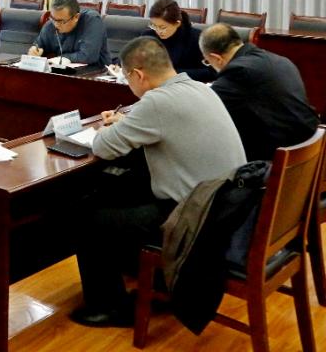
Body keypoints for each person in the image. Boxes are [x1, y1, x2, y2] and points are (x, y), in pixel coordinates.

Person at [71, 37, 246, 327]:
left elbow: (102, 147)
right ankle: (150, 277)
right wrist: (127, 124)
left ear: (137, 75)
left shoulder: (157, 102)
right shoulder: (198, 87)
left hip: (193, 217)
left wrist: (105, 128)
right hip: (225, 204)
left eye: (126, 77)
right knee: (118, 187)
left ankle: (109, 307)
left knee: (88, 216)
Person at [200, 23, 319, 161]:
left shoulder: (238, 71)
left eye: (207, 62)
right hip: (309, 147)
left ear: (216, 58)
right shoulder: (279, 60)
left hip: (278, 158)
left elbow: (207, 108)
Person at [140, 0, 214, 82]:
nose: (158, 31)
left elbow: (211, 72)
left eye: (162, 27)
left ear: (177, 23)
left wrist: (172, 73)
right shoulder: (148, 36)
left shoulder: (197, 38)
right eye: (154, 26)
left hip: (185, 85)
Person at [28, 0, 110, 65]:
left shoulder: (92, 20)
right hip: (64, 73)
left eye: (61, 21)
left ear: (76, 17)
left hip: (96, 73)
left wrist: (60, 59)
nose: (56, 25)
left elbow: (88, 56)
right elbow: (38, 46)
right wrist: (34, 51)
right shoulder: (50, 24)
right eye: (53, 18)